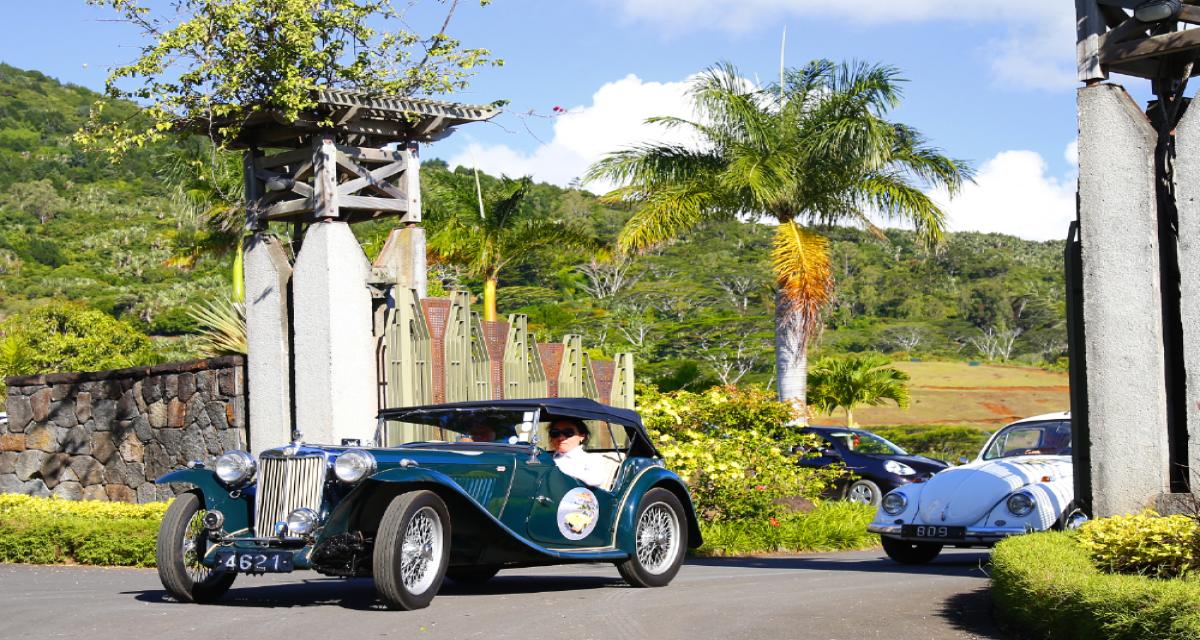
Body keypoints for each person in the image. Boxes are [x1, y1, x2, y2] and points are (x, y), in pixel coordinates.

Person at [548, 418, 608, 487]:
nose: (561, 438)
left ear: (582, 436)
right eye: (555, 433)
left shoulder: (592, 458)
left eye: (568, 433)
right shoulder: (544, 458)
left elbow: (596, 480)